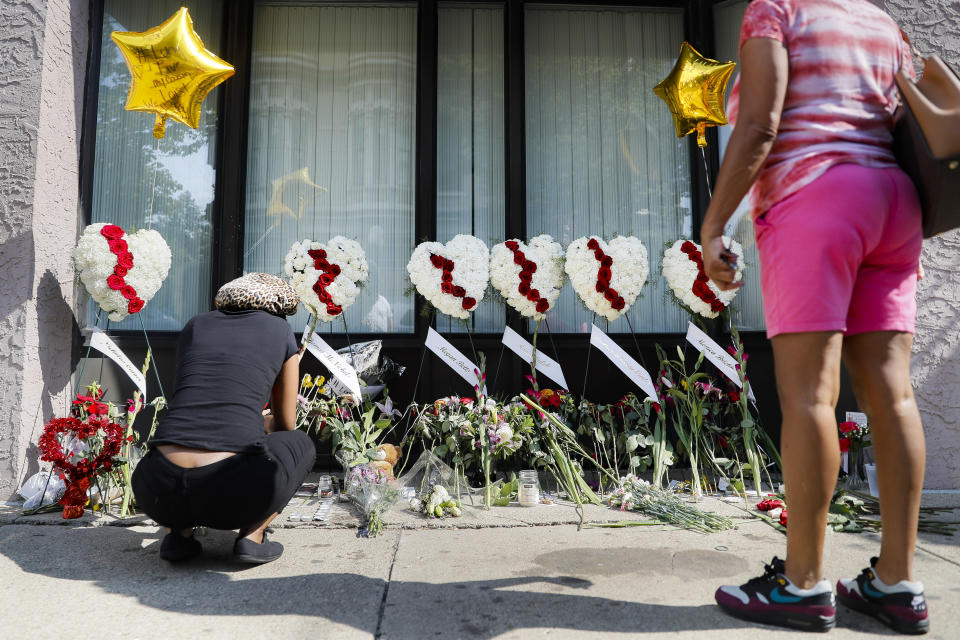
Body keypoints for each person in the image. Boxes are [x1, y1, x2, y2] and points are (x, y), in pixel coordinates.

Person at [701, 0, 928, 634]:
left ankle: (801, 584)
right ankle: (896, 584)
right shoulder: (881, 22)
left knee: (809, 395)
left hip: (817, 198)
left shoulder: (776, 10)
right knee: (894, 395)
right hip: (892, 203)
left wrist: (714, 222)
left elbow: (759, 125)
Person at [132, 273, 315, 564]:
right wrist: (263, 423)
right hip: (233, 490)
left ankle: (178, 535)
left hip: (155, 485)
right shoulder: (280, 332)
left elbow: (189, 400)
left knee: (184, 446)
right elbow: (285, 425)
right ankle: (252, 537)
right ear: (280, 309)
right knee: (299, 444)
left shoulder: (196, 325)